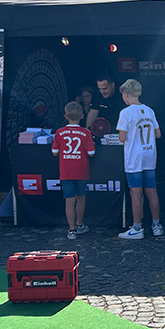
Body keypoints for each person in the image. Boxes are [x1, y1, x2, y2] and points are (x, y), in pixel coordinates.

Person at [116, 79, 162, 239]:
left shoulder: (126, 112)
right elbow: (158, 134)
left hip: (134, 157)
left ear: (126, 94)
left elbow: (122, 137)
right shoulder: (149, 110)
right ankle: (156, 225)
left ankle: (137, 228)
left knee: (136, 193)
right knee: (152, 191)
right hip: (149, 155)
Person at [52, 101, 95, 240]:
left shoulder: (59, 132)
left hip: (66, 171)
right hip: (81, 171)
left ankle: (71, 230)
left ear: (65, 116)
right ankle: (79, 224)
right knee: (81, 198)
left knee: (69, 200)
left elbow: (54, 152)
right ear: (82, 116)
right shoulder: (85, 133)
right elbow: (91, 152)